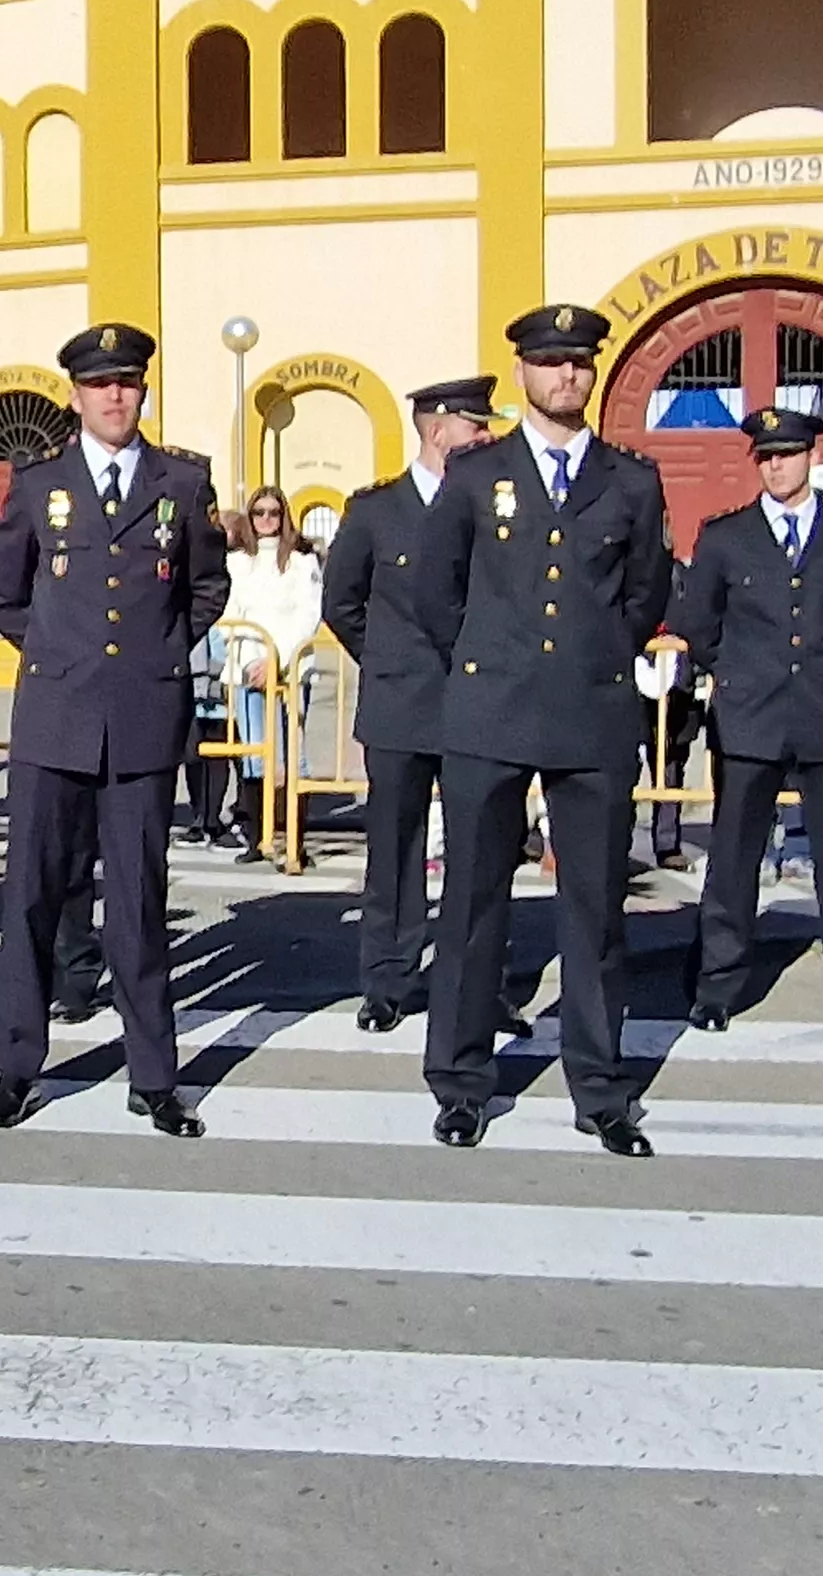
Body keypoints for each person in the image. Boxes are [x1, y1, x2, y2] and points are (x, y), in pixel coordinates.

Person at [411, 305, 675, 1156]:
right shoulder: (476, 472)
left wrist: (593, 658)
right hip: (490, 709)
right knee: (472, 906)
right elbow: (435, 592)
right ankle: (460, 1081)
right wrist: (490, 658)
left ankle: (598, 1085)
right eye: (551, 362)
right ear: (523, 372)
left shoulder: (630, 480)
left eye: (579, 364)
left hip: (592, 711)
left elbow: (645, 593)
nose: (567, 377)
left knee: (594, 909)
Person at [0, 322, 229, 1138]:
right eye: (100, 385)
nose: (115, 396)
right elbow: (4, 590)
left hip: (144, 718)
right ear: (77, 396)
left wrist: (156, 655)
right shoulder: (38, 481)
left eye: (127, 383)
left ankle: (154, 1075)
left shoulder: (180, 482)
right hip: (56, 716)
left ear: (143, 391)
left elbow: (205, 585)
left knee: (138, 903)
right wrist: (56, 653)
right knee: (33, 898)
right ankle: (16, 1067)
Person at [660, 409, 823, 1036]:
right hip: (750, 717)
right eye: (766, 456)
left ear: (811, 458)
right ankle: (717, 985)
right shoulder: (727, 537)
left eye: (788, 454)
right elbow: (697, 623)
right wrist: (739, 672)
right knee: (734, 857)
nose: (776, 465)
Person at [323, 377, 492, 1030]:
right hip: (398, 706)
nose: (485, 437)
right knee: (395, 850)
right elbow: (342, 602)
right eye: (475, 426)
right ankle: (388, 982)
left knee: (477, 848)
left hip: (476, 702)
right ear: (438, 429)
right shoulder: (375, 511)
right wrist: (388, 659)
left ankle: (468, 976)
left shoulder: (489, 507)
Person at [207, 485, 321, 863]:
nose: (267, 520)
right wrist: (253, 662)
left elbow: (308, 616)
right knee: (255, 753)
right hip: (248, 667)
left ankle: (294, 841)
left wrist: (277, 659)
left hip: (289, 669)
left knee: (292, 756)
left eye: (274, 512)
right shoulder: (238, 562)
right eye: (259, 513)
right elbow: (229, 616)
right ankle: (259, 836)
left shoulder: (303, 562)